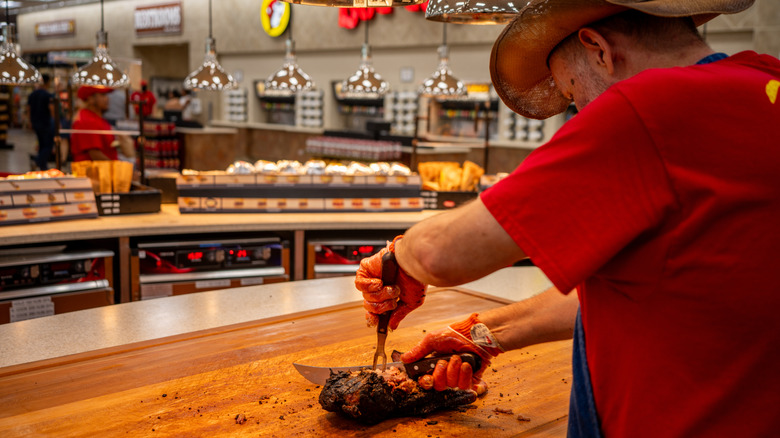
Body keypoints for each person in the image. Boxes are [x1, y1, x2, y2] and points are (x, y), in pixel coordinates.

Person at [355, 0, 779, 437]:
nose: (579, 112)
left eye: (573, 94)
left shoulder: (647, 110)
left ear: (598, 49)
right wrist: (484, 334)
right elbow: (658, 288)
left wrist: (399, 256)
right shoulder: (767, 84)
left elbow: (441, 254)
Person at [70, 86, 118, 162]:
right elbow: (95, 154)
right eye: (103, 95)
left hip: (103, 170)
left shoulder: (98, 118)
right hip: (92, 172)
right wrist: (118, 168)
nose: (107, 99)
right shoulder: (87, 120)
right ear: (90, 99)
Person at [27, 73, 55, 170]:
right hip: (45, 123)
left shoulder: (33, 94)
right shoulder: (47, 95)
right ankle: (38, 161)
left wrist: (30, 121)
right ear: (47, 82)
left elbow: (28, 108)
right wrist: (55, 120)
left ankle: (43, 166)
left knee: (42, 144)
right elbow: (51, 109)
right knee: (48, 145)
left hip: (36, 123)